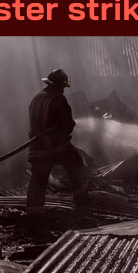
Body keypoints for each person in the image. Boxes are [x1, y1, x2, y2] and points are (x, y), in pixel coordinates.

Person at [26, 69, 89, 216]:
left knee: (38, 179)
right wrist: (69, 124)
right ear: (60, 85)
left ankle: (34, 214)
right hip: (57, 147)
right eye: (63, 87)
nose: (63, 90)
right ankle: (82, 204)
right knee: (77, 164)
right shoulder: (59, 99)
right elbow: (67, 126)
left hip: (36, 147)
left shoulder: (36, 98)